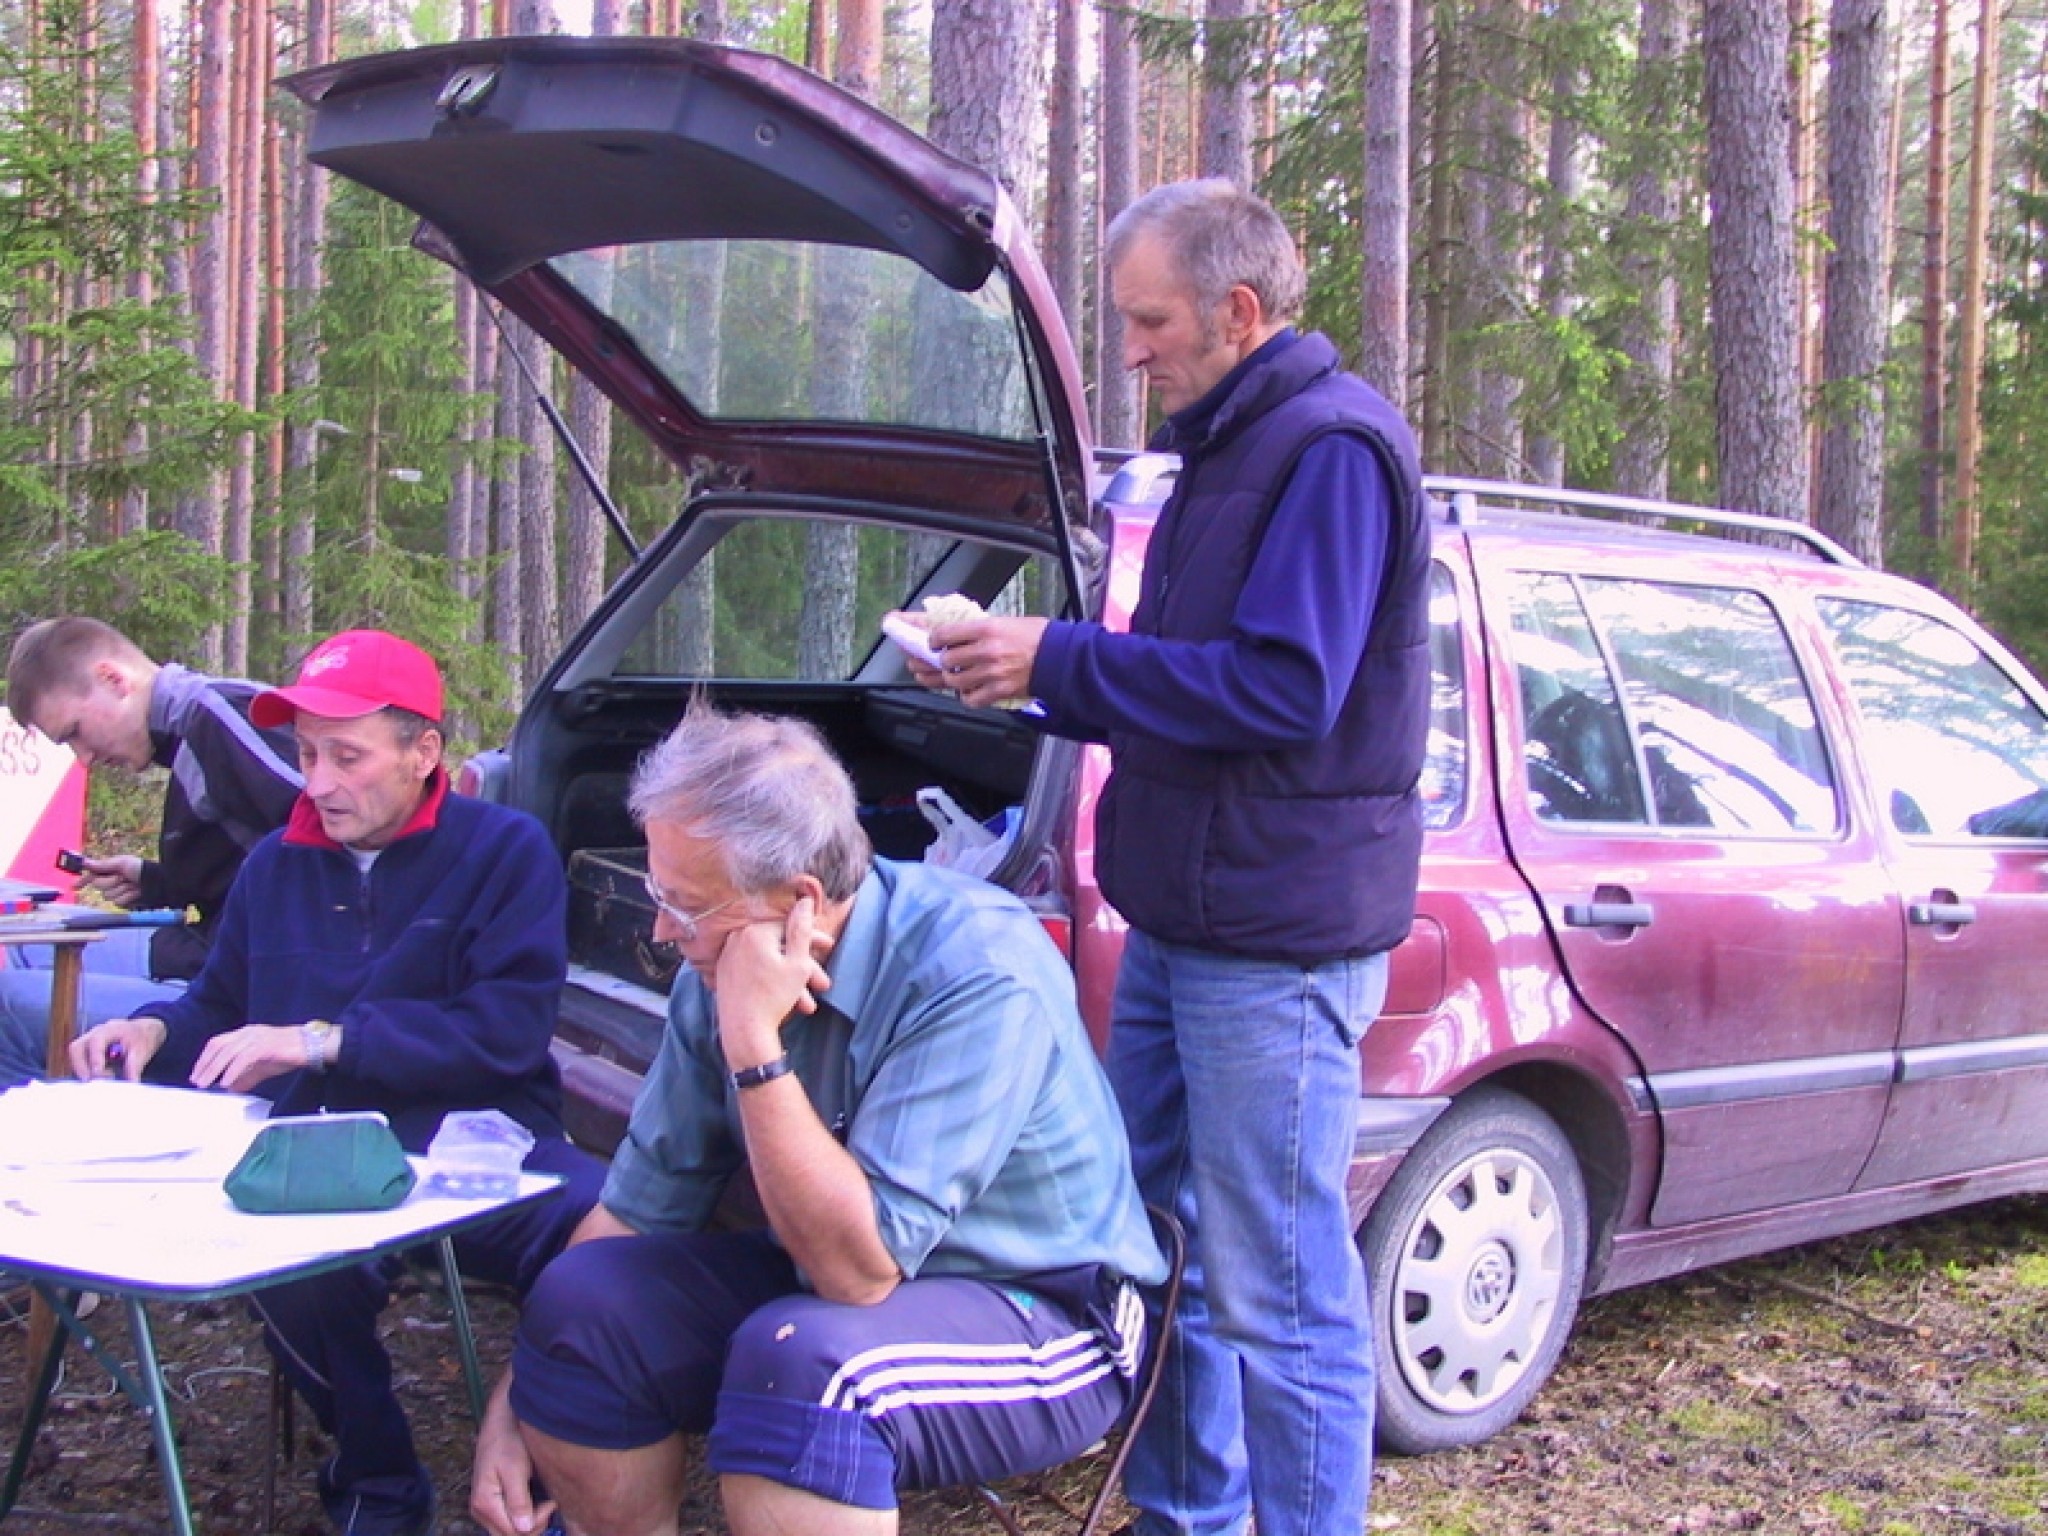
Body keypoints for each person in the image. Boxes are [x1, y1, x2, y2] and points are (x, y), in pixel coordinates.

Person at [899, 179, 1433, 1536]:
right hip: (1182, 924)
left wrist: (1060, 659)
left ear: (1237, 313)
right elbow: (1182, 681)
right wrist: (1033, 674)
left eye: (1148, 322)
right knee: (1149, 1237)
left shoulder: (1332, 453)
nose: (1129, 349)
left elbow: (1283, 690)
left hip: (1279, 950)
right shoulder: (1225, 452)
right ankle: (1189, 1512)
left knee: (1283, 1288)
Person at [467, 702, 1164, 1536]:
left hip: (1046, 1311)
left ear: (798, 900)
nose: (660, 927)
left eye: (685, 903)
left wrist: (756, 1045)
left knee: (806, 1365)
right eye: (660, 891)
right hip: (834, 1285)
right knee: (580, 1300)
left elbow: (855, 1274)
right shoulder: (717, 957)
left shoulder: (975, 970)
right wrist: (517, 1394)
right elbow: (636, 1211)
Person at [70, 628, 605, 1536]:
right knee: (288, 1276)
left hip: (478, 1149)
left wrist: (323, 1039)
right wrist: (154, 1028)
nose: (317, 782)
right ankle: (376, 1484)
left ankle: (550, 1479)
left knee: (606, 1237)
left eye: (346, 756)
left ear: (422, 751)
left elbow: (505, 1035)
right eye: (308, 753)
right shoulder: (279, 863)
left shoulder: (504, 850)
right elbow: (220, 1005)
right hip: (320, 1161)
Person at [1, 618, 301, 1088]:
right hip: (211, 957)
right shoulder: (189, 730)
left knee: (5, 1001)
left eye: (76, 731)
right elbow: (254, 865)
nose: (83, 758)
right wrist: (154, 881)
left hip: (236, 994)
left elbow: (330, 848)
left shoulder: (219, 718)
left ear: (113, 679)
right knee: (22, 950)